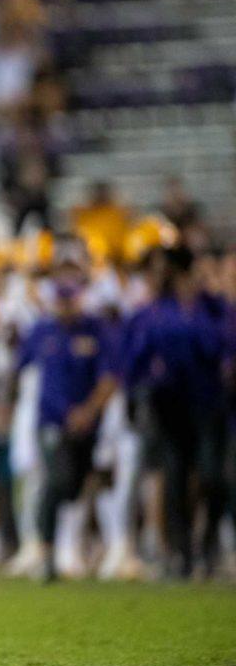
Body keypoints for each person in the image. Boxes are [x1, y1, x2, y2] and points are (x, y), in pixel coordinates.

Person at [127, 246, 228, 578]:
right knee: (175, 475)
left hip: (209, 402)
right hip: (170, 405)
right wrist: (139, 391)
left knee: (214, 475)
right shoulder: (158, 312)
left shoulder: (213, 308)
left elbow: (220, 345)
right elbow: (138, 359)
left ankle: (208, 540)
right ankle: (181, 551)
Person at [15, 258, 118, 583]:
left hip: (89, 423)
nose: (65, 304)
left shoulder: (95, 330)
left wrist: (88, 411)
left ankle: (90, 548)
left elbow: (109, 377)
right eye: (60, 297)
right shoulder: (41, 330)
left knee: (80, 486)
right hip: (51, 421)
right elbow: (23, 370)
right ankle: (45, 552)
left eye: (69, 297)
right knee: (56, 481)